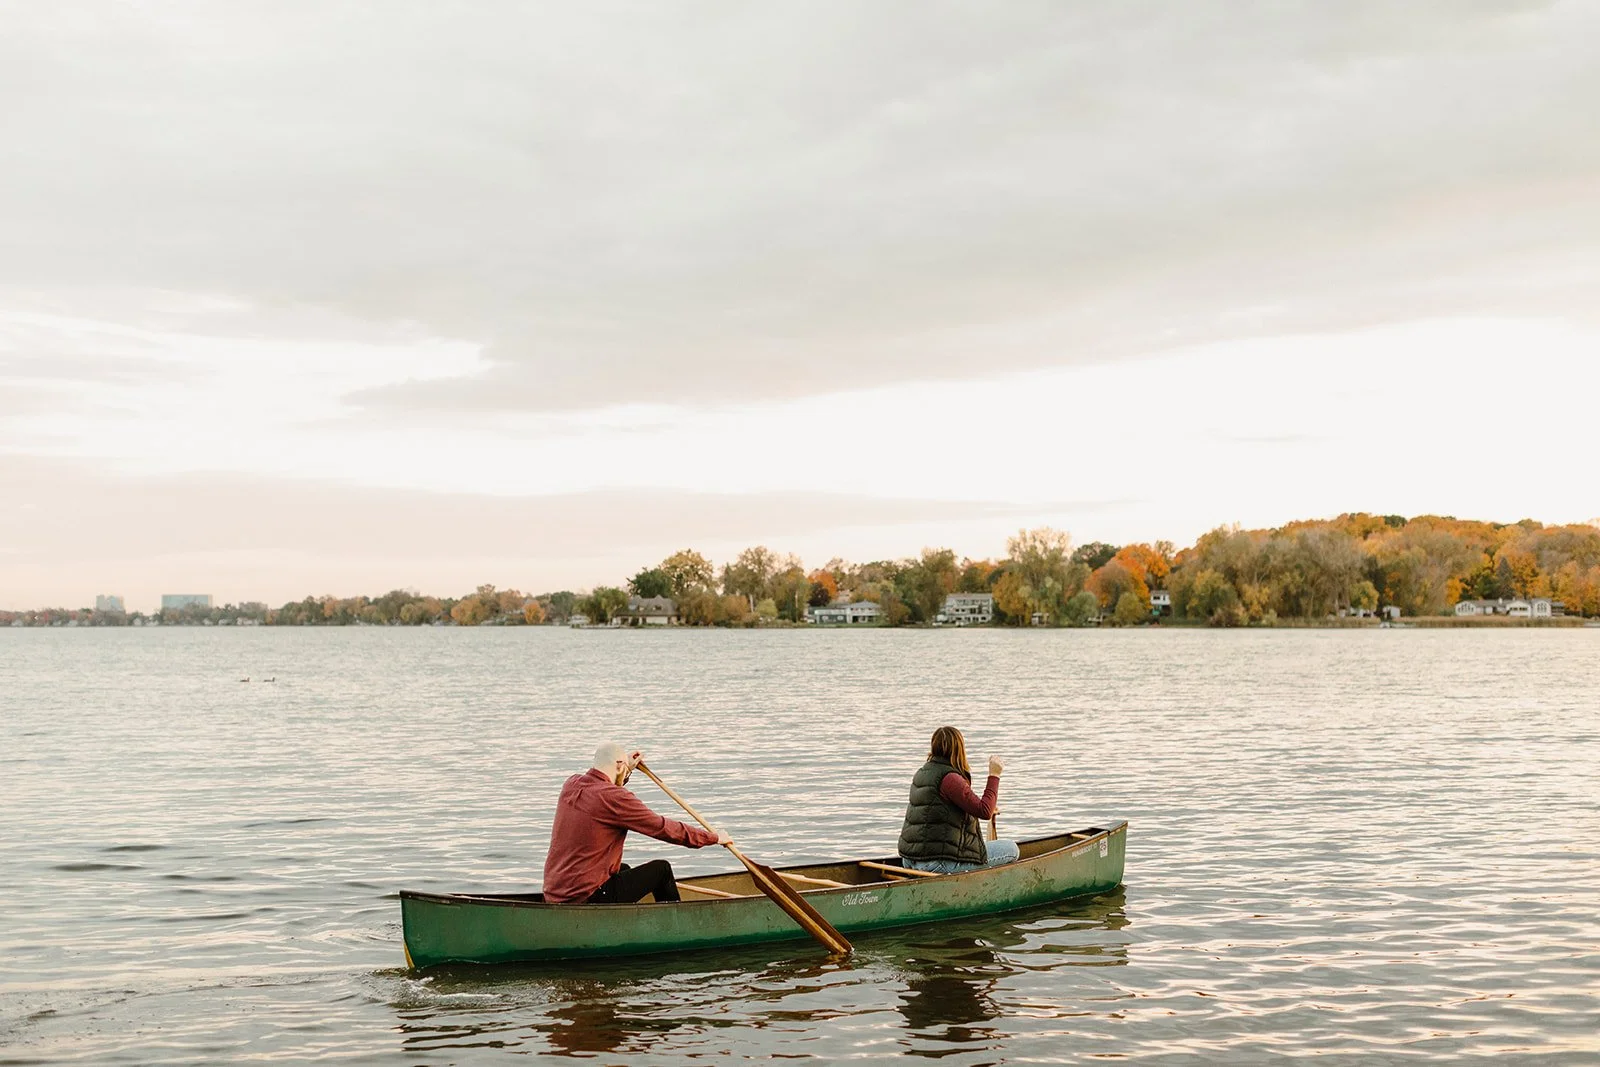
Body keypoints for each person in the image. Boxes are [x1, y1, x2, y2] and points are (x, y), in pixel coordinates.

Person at [542, 743, 730, 904]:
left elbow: (605, 794)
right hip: (586, 896)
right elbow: (663, 828)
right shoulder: (615, 798)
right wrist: (713, 838)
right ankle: (676, 925)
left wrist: (627, 769)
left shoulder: (571, 784)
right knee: (661, 870)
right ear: (618, 765)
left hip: (555, 892)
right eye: (623, 768)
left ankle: (624, 921)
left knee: (622, 869)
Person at [897, 725, 1020, 873]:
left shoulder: (922, 773)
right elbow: (985, 811)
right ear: (959, 748)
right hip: (937, 863)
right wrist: (994, 775)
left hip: (910, 860)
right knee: (1012, 849)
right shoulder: (950, 778)